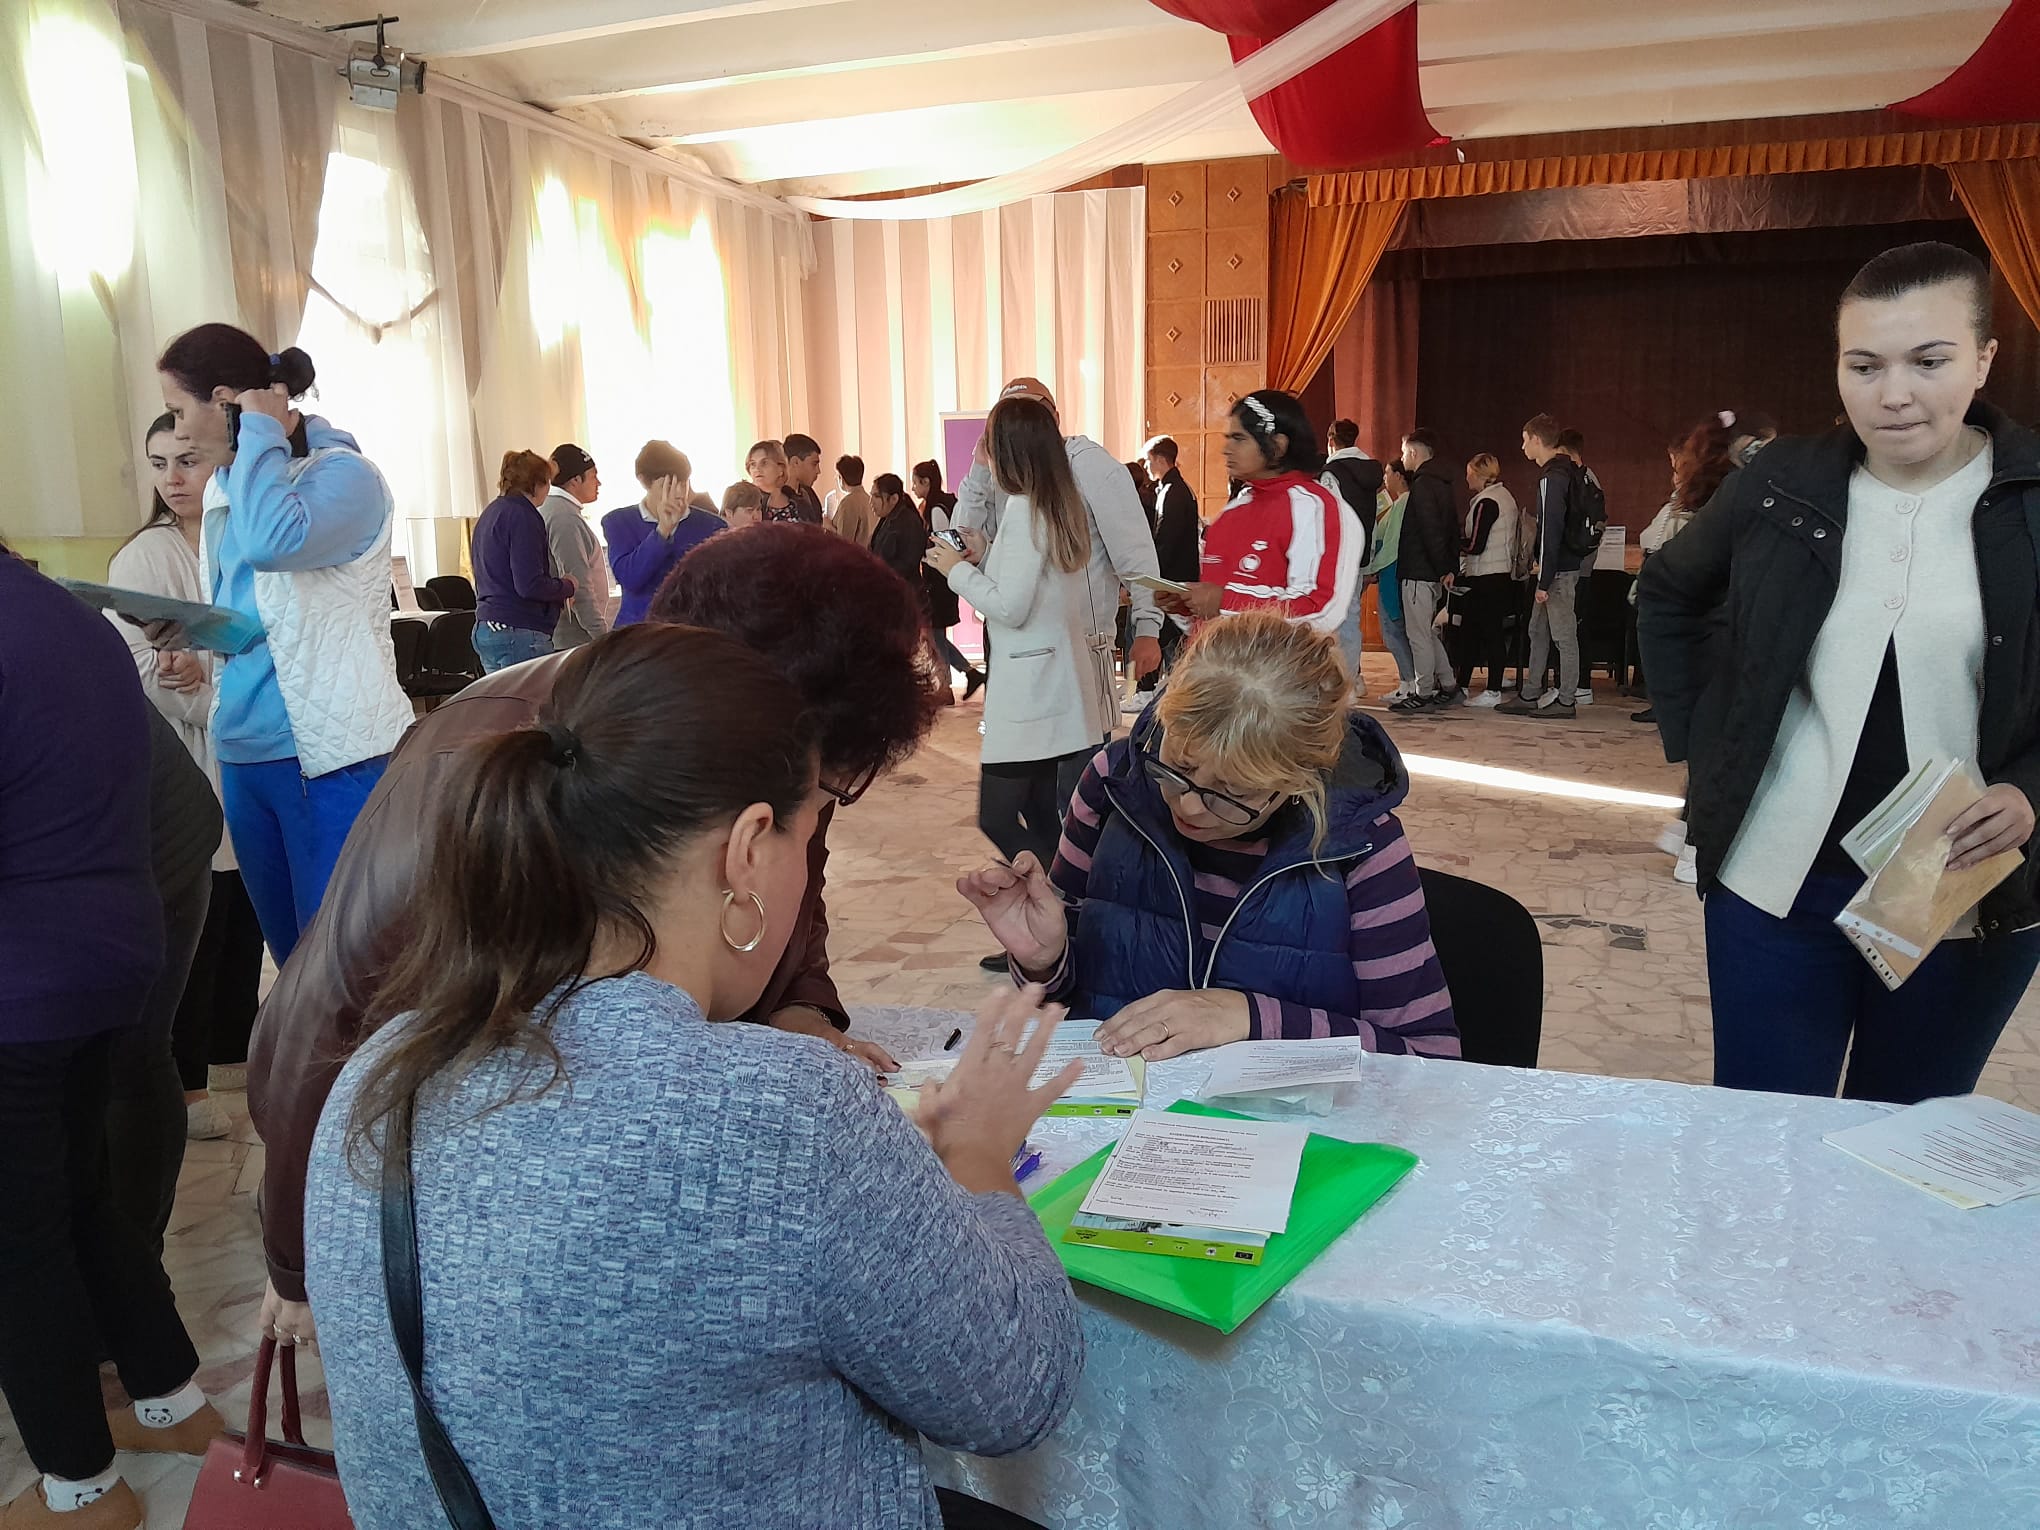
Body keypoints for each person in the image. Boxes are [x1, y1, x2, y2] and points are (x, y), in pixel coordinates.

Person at [304, 624, 1082, 1530]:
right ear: (747, 849)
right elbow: (1018, 1392)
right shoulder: (785, 1112)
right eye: (808, 835)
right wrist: (980, 1155)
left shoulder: (380, 1072)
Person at [246, 524, 942, 1349]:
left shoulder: (758, 755)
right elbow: (330, 1006)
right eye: (821, 794)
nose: (815, 821)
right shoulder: (497, 765)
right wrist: (295, 1262)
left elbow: (794, 890)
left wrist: (801, 1006)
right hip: (447, 1151)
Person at [1640, 240, 2040, 1104]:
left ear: (1983, 360)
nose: (1893, 394)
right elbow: (1668, 590)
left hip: (1955, 887)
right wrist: (1706, 743)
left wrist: (2030, 790)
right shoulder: (1784, 483)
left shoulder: (2029, 498)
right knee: (1762, 1132)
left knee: (1898, 1139)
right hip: (1774, 880)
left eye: (1928, 361)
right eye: (1864, 365)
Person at [960, 611, 1458, 1060]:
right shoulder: (1115, 784)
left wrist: (1248, 1018)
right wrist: (1044, 960)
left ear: (1299, 781)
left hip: (1284, 1129)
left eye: (1234, 792)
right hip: (1124, 1113)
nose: (1191, 806)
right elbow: (1070, 994)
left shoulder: (1362, 843)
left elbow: (1428, 1056)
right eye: (1178, 767)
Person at [1, 550, 227, 1530]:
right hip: (114, 955)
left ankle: (81, 1488)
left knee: (19, 1238)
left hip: (23, 980)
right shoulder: (62, 613)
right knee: (82, 1194)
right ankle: (171, 1402)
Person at [156, 324, 411, 964]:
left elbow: (275, 543)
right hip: (245, 747)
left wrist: (261, 433)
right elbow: (253, 612)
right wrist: (194, 633)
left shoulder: (347, 477)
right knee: (292, 959)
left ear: (224, 401)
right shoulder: (232, 483)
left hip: (330, 753)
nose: (179, 434)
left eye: (180, 412)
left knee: (347, 961)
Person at [107, 417, 265, 1141]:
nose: (172, 478)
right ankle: (189, 1082)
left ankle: (235, 1057)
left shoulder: (242, 542)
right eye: (159, 463)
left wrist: (217, 684)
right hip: (188, 754)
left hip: (248, 746)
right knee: (199, 918)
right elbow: (141, 671)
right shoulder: (146, 555)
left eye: (188, 460)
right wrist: (200, 693)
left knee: (243, 913)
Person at [926, 397, 1115, 874]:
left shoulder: (1026, 510)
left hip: (1030, 695)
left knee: (998, 817)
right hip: (1049, 684)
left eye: (987, 447)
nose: (983, 458)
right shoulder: (1053, 504)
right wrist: (985, 551)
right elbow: (1034, 586)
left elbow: (1011, 607)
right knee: (1040, 815)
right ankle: (1063, 906)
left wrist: (954, 571)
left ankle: (1066, 902)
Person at [953, 377, 1164, 695]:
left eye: (1032, 414)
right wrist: (979, 468)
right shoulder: (1006, 478)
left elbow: (1135, 554)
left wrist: (1148, 627)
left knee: (1082, 727)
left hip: (1081, 649)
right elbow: (962, 541)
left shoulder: (1090, 465)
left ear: (1054, 418)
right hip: (1015, 650)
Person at [1168, 391, 1352, 645]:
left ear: (1278, 445)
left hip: (1271, 667)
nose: (1226, 449)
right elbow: (1214, 613)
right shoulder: (1234, 510)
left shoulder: (1311, 506)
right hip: (1213, 662)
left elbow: (1319, 610)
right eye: (1228, 438)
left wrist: (1224, 602)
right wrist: (1187, 605)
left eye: (1239, 439)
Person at [1499, 414, 1586, 719]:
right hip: (1559, 567)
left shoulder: (1552, 478)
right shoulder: (1568, 471)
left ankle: (1566, 699)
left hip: (1556, 571)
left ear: (1537, 440)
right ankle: (1532, 691)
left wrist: (1544, 580)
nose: (1522, 447)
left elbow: (1550, 529)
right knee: (1537, 630)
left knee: (1563, 635)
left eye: (1525, 440)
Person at [472, 450, 576, 673]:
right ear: (537, 484)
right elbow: (529, 584)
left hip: (487, 625)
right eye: (548, 482)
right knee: (531, 696)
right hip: (518, 630)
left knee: (500, 697)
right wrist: (567, 586)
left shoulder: (490, 513)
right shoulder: (524, 516)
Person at [601, 441, 725, 626]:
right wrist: (663, 531)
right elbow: (630, 579)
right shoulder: (618, 522)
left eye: (683, 483)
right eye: (668, 485)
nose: (678, 493)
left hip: (692, 631)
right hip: (639, 631)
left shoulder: (713, 526)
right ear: (644, 481)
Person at [1121, 435, 1202, 714]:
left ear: (1159, 458)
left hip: (1170, 579)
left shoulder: (1174, 492)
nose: (1146, 466)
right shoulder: (1174, 488)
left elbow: (1165, 542)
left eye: (1148, 460)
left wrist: (1150, 578)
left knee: (1149, 634)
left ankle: (1144, 690)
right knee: (1170, 641)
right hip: (1174, 577)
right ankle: (1150, 690)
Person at [1389, 428, 1462, 711]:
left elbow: (1431, 530)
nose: (1402, 457)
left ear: (1414, 452)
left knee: (1418, 636)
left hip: (1419, 571)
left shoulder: (1422, 485)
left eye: (1404, 452)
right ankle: (1449, 685)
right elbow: (1451, 530)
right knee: (1427, 633)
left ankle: (1424, 693)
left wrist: (1442, 567)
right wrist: (1449, 567)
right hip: (1432, 572)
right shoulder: (1443, 484)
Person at [914, 460, 982, 700]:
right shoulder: (940, 504)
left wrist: (924, 556)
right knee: (936, 634)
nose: (913, 488)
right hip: (942, 578)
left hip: (940, 579)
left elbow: (944, 543)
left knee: (936, 633)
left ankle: (946, 685)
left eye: (916, 483)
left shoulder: (936, 508)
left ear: (926, 482)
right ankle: (968, 673)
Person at [1458, 454, 1521, 708]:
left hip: (1487, 575)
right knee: (1477, 631)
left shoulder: (1487, 502)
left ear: (1479, 474)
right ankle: (1464, 684)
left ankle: (1493, 689)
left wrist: (1450, 543)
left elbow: (1476, 545)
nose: (1466, 477)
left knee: (1486, 632)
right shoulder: (1505, 497)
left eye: (1469, 472)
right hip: (1498, 574)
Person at [542, 443, 612, 650]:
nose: (599, 483)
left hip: (569, 637)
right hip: (572, 640)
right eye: (593, 476)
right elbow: (577, 584)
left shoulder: (557, 510)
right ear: (575, 481)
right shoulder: (564, 518)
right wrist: (602, 637)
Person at [1367, 460, 1417, 702]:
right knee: (1395, 630)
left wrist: (1372, 569)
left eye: (1388, 473)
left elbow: (1391, 545)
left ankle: (1409, 682)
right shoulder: (1400, 503)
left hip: (1391, 570)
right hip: (1391, 570)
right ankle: (1407, 681)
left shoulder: (1402, 503)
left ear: (1399, 475)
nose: (1385, 478)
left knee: (1393, 630)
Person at [867, 471, 929, 587]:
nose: (871, 501)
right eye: (871, 496)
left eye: (876, 496)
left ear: (894, 499)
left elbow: (908, 563)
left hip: (903, 590)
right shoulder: (886, 517)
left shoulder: (908, 522)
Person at [745, 438, 802, 521]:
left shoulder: (798, 502)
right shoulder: (744, 502)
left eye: (764, 463)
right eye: (753, 464)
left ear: (781, 469)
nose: (757, 469)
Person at [830, 453, 878, 546]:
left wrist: (828, 526)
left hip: (855, 553)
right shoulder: (869, 499)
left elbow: (844, 541)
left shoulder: (848, 503)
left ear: (841, 478)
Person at [783, 431, 827, 522]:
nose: (818, 471)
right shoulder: (778, 499)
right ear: (795, 462)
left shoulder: (809, 494)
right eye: (814, 464)